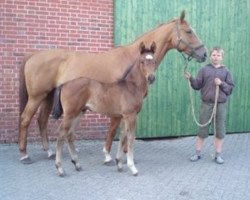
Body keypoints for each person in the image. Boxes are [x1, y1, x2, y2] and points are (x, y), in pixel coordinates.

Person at [184, 46, 234, 164]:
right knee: (202, 130)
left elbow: (230, 89)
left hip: (220, 105)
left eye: (218, 55)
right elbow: (197, 86)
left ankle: (218, 155)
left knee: (220, 131)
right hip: (206, 104)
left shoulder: (226, 72)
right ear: (210, 56)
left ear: (222, 57)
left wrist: (221, 84)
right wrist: (191, 78)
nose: (216, 57)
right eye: (214, 55)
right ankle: (197, 153)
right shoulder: (204, 70)